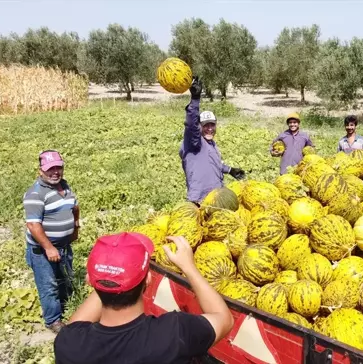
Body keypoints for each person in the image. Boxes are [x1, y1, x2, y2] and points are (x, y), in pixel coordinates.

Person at [53, 233, 234, 364]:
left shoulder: (69, 344)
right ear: (148, 280)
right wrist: (189, 267)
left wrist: (107, 273)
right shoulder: (175, 333)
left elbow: (75, 324)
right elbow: (223, 318)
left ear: (89, 281)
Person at [23, 150, 79, 334]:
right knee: (49, 285)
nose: (55, 172)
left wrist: (75, 227)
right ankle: (53, 320)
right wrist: (48, 247)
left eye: (58, 167)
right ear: (40, 170)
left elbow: (74, 206)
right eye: (50, 169)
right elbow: (33, 224)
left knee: (64, 278)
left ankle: (67, 304)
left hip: (64, 246)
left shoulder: (64, 186)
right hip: (43, 251)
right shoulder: (35, 194)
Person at [179, 76, 245, 204]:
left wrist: (229, 170)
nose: (209, 129)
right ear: (199, 127)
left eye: (212, 125)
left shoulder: (212, 144)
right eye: (205, 126)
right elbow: (191, 125)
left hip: (216, 199)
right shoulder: (194, 143)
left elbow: (213, 163)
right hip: (200, 201)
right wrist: (195, 100)